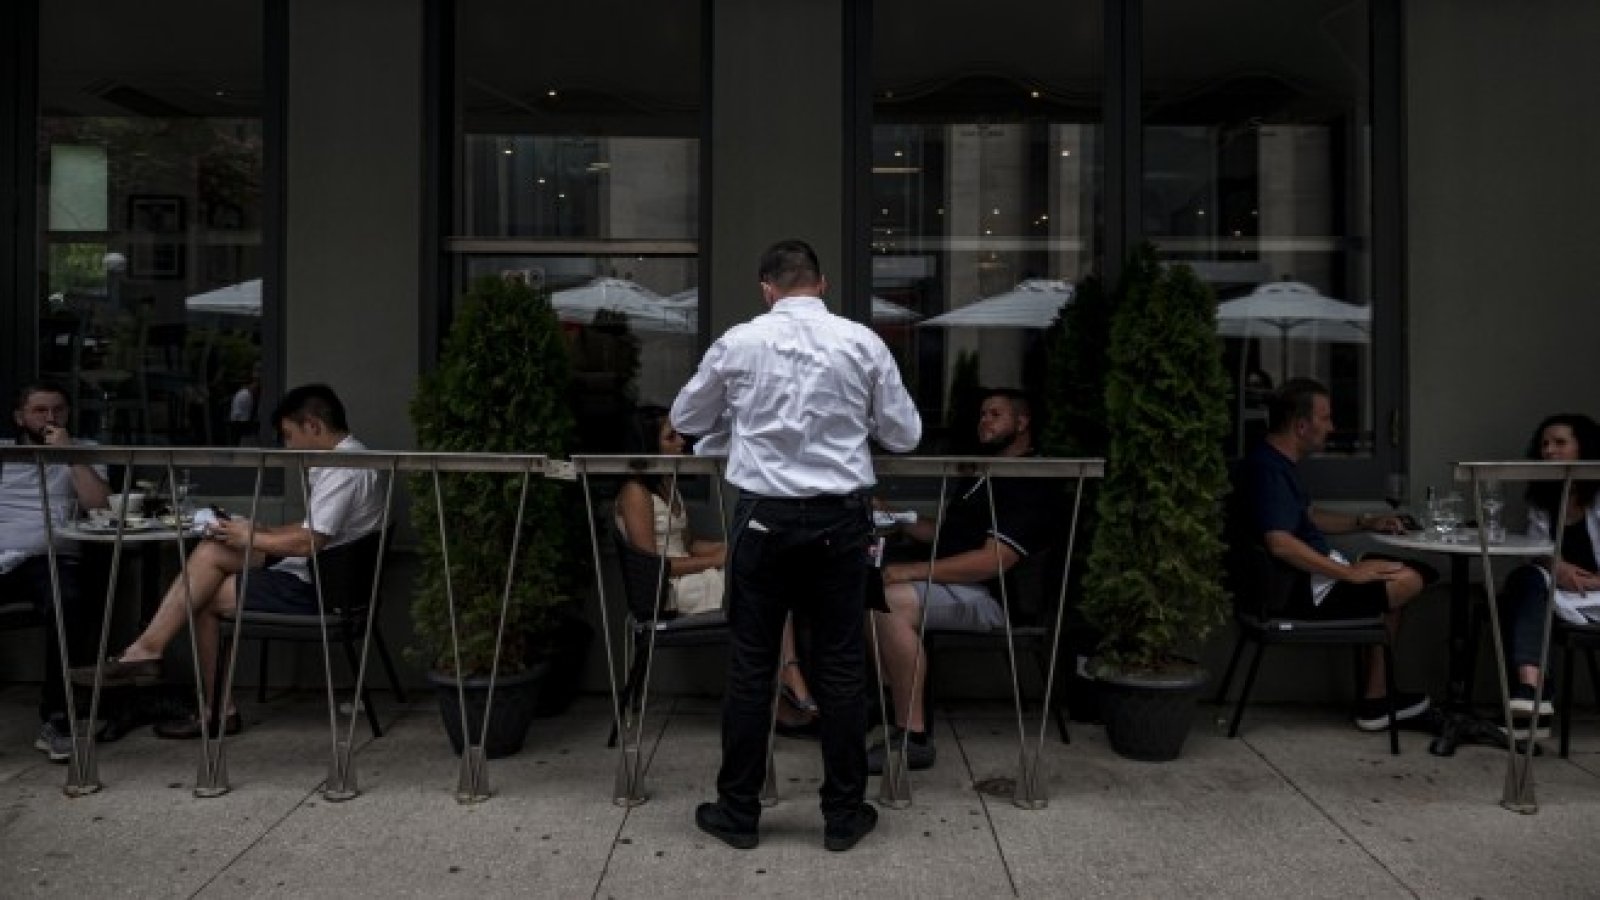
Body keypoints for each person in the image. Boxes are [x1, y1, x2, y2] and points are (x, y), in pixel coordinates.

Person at [670, 239, 921, 852]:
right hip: (841, 522)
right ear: (822, 282)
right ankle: (842, 817)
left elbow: (687, 420)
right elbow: (905, 435)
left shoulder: (739, 342)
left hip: (764, 519)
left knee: (751, 667)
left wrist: (738, 422)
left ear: (767, 289)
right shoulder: (862, 342)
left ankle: (738, 813)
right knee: (842, 667)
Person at [72, 384, 384, 739]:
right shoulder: (349, 458)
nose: (288, 447)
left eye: (289, 435)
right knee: (213, 551)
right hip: (323, 573)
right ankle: (147, 651)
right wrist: (257, 529)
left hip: (322, 589)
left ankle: (215, 709)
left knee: (206, 599)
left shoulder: (344, 469)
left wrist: (249, 537)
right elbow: (313, 528)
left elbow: (308, 541)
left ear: (313, 425)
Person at [869, 388, 1053, 773]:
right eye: (983, 414)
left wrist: (910, 571)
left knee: (888, 601)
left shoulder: (1027, 479)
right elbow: (947, 537)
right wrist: (897, 516)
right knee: (859, 589)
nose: (984, 422)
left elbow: (992, 560)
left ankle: (913, 737)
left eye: (996, 414)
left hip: (992, 597)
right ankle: (884, 703)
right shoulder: (984, 474)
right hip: (958, 586)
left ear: (1022, 423)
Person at [1235, 378, 1431, 732]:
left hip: (1314, 581)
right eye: (1325, 418)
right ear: (1301, 426)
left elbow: (1308, 517)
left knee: (1403, 570)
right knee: (1409, 579)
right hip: (1298, 593)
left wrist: (1364, 521)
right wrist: (1350, 574)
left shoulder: (1278, 463)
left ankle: (1376, 696)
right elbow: (1280, 543)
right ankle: (1376, 700)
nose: (1332, 427)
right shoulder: (1267, 470)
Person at [616, 406, 821, 733]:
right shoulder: (635, 493)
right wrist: (716, 560)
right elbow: (653, 567)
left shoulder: (667, 484)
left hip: (690, 577)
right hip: (668, 591)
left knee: (769, 577)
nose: (682, 442)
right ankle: (787, 679)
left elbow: (687, 543)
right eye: (670, 437)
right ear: (648, 446)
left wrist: (731, 548)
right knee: (763, 587)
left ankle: (784, 687)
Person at [1, 381, 110, 761]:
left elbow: (99, 506)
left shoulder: (84, 451)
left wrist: (69, 455)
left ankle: (58, 718)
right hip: (3, 556)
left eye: (58, 410)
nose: (50, 418)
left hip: (51, 559)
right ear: (20, 417)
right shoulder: (4, 452)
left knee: (68, 603)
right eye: (40, 410)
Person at [1497, 413, 1600, 736]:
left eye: (1560, 443)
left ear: (1584, 448)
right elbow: (1535, 548)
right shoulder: (1545, 498)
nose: (1549, 451)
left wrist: (1594, 581)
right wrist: (1558, 566)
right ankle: (1532, 688)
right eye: (1544, 444)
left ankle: (1534, 700)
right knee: (1523, 581)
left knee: (1514, 602)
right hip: (1557, 590)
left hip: (1594, 594)